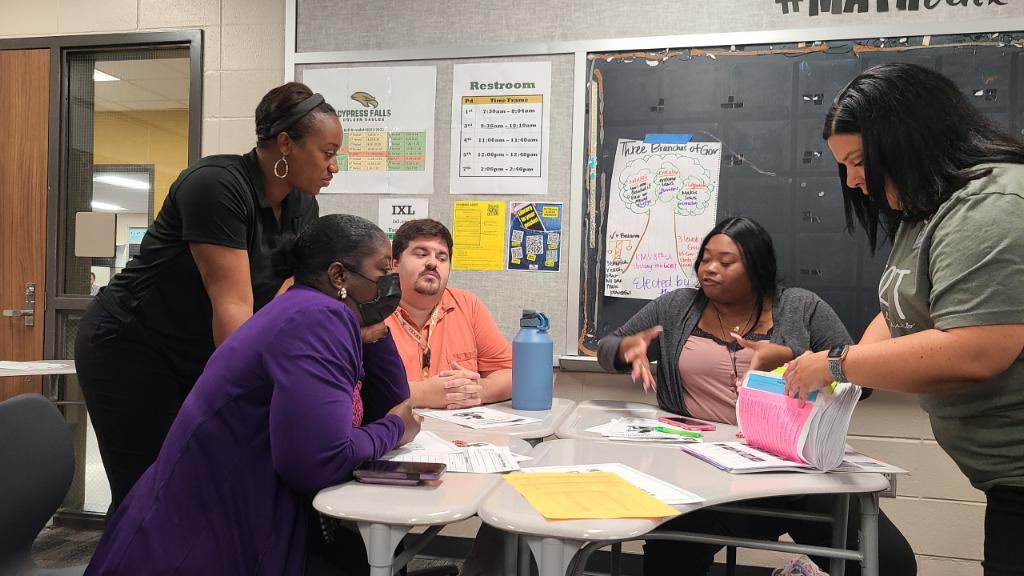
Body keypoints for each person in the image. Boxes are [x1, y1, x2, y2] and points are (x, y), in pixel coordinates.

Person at [785, 62, 1024, 576]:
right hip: (1007, 481)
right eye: (843, 167)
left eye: (859, 162)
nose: (853, 182)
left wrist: (837, 364)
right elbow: (900, 313)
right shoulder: (926, 212)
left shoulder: (991, 206)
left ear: (910, 141)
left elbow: (976, 349)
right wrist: (848, 375)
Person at [84, 214, 420, 576]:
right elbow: (319, 461)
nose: (391, 283)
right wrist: (392, 430)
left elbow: (392, 403)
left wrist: (378, 332)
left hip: (231, 513)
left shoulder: (315, 309)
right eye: (383, 271)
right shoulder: (316, 319)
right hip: (204, 538)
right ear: (339, 276)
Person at [597, 216, 916, 576]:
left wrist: (800, 363)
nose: (710, 269)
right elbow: (607, 349)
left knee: (891, 562)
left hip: (793, 474)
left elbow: (863, 381)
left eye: (726, 261)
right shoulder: (677, 307)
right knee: (670, 558)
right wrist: (623, 348)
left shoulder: (801, 307)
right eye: (704, 259)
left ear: (757, 268)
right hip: (701, 472)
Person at [76, 82, 340, 512]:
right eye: (327, 153)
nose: (334, 167)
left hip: (197, 346)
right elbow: (233, 305)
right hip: (130, 345)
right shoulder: (216, 184)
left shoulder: (301, 205)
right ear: (286, 144)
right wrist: (259, 385)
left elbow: (289, 296)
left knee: (201, 479)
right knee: (148, 489)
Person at [384, 218, 513, 409]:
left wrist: (478, 390)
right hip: (395, 432)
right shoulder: (372, 311)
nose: (432, 263)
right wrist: (421, 394)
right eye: (421, 254)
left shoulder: (467, 305)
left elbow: (513, 374)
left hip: (461, 432)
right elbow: (354, 390)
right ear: (395, 264)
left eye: (442, 258)